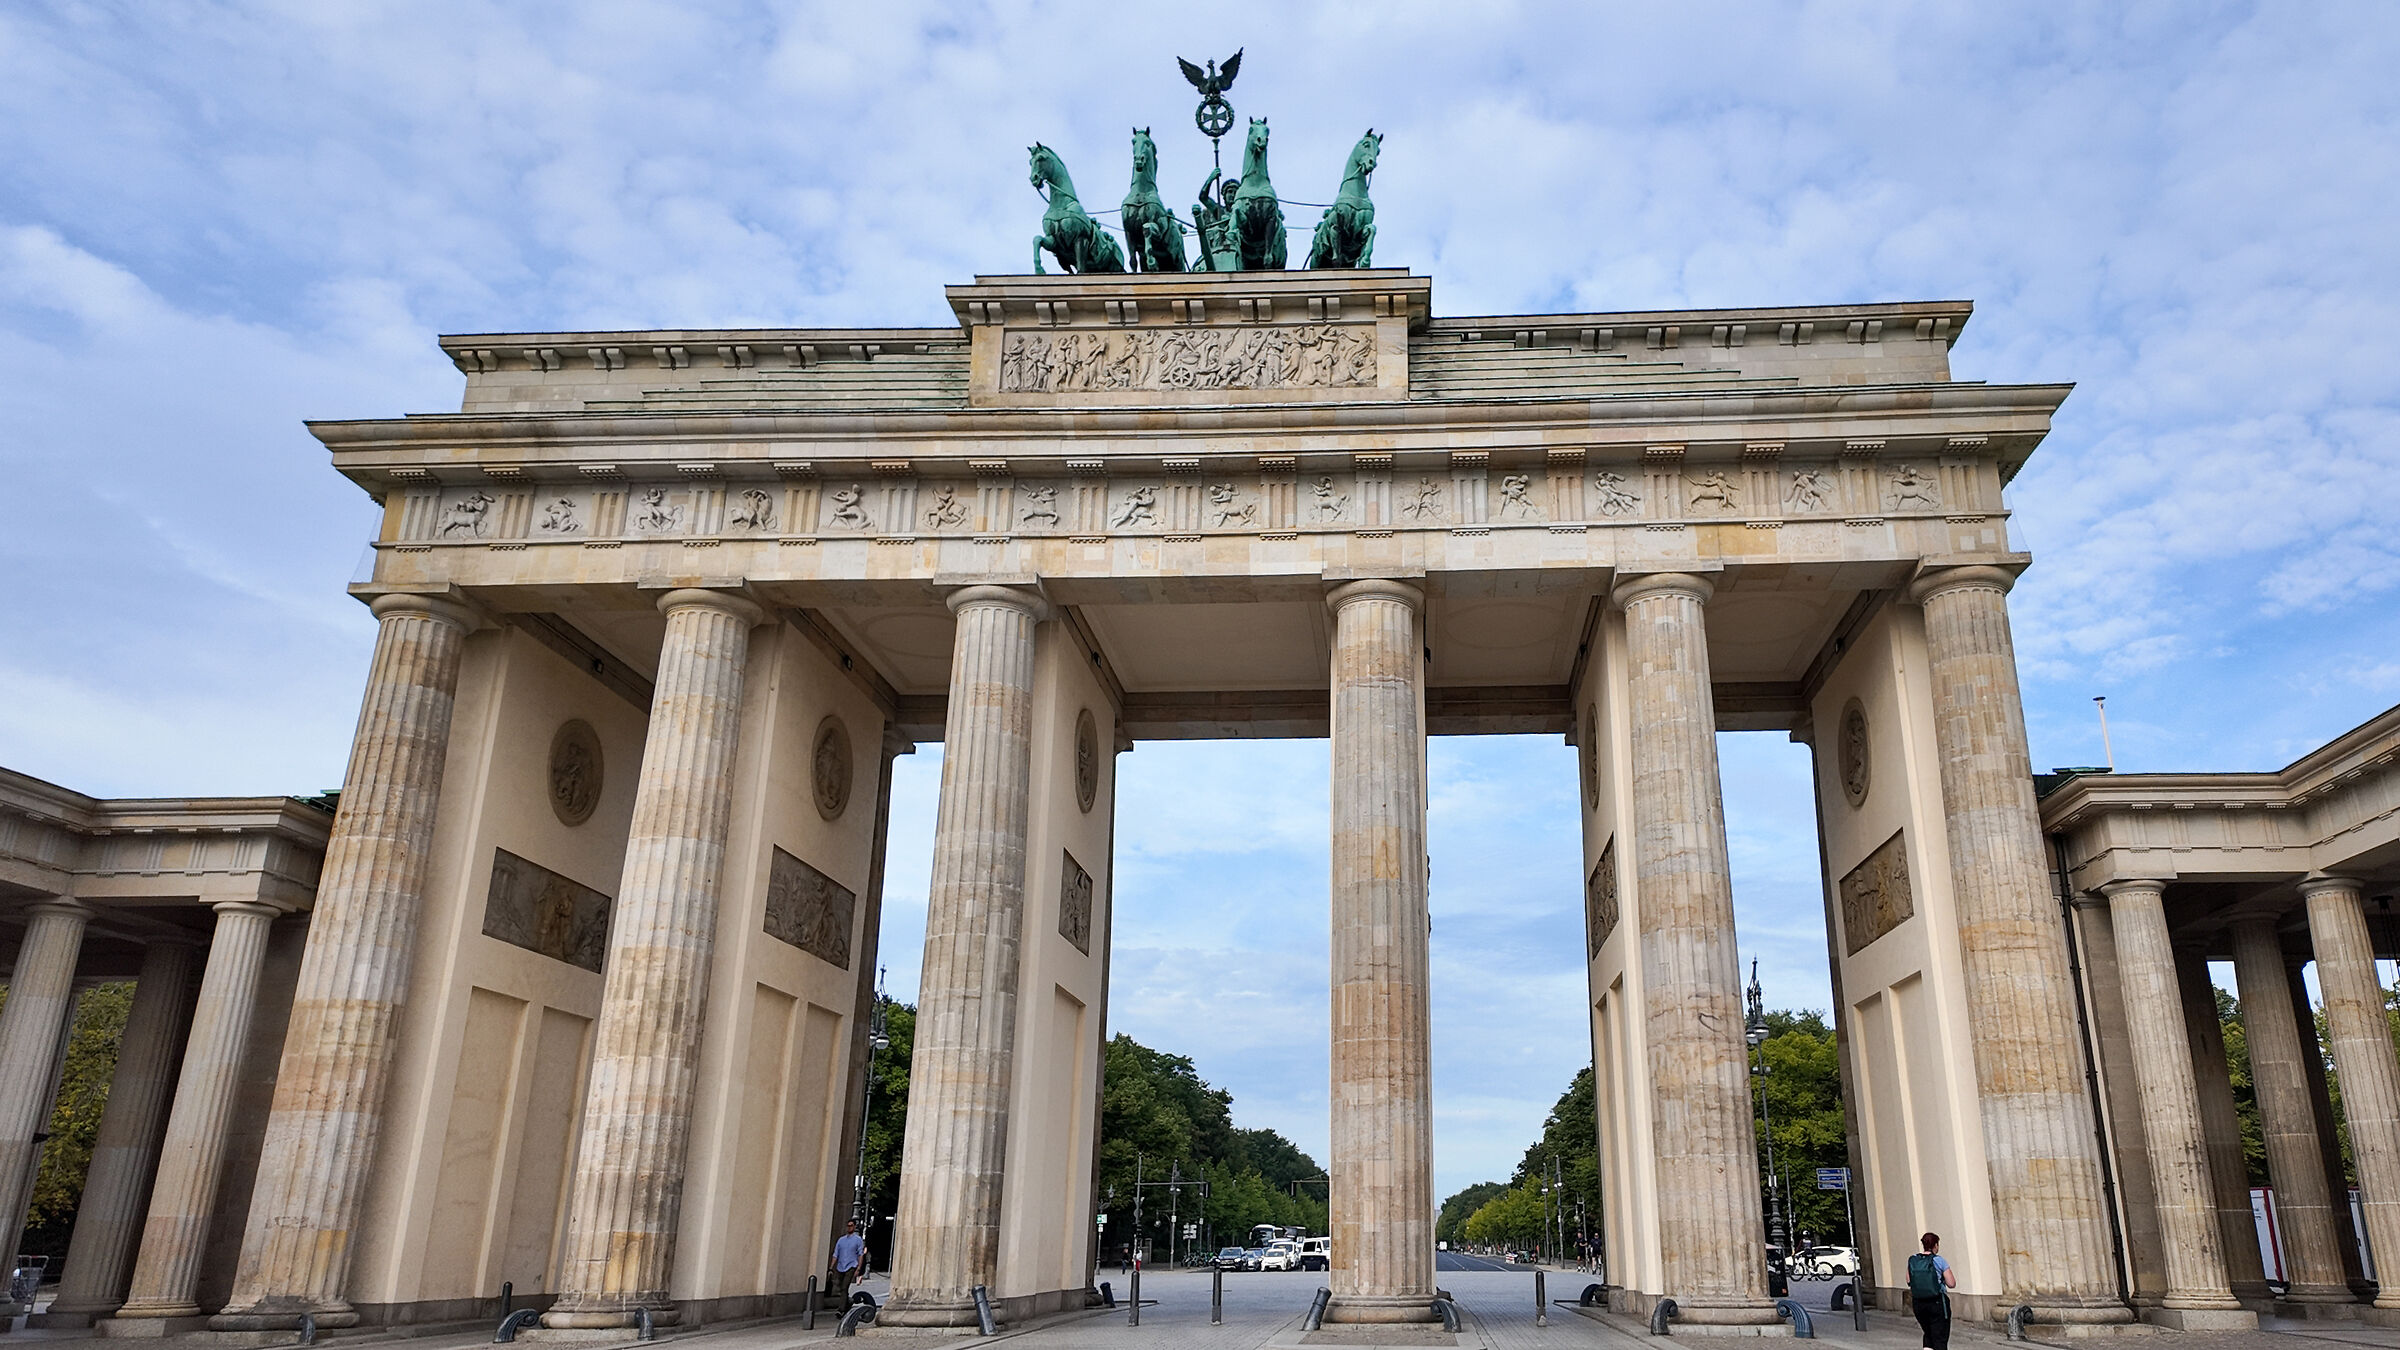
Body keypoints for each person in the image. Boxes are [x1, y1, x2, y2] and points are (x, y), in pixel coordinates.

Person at [1907, 1232, 1955, 1350]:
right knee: (1939, 1336)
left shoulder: (1913, 1260)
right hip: (1937, 1303)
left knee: (1928, 1333)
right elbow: (1951, 1283)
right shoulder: (1939, 1261)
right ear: (1935, 1245)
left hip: (1918, 1303)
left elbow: (1908, 1281)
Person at [831, 1220, 867, 1301]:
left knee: (845, 1287)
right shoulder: (841, 1240)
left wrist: (858, 1268)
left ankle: (842, 1308)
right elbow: (835, 1254)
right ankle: (846, 1302)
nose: (849, 1227)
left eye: (851, 1226)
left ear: (854, 1227)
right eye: (848, 1226)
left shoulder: (858, 1240)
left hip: (851, 1266)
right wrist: (831, 1267)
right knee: (839, 1287)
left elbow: (860, 1254)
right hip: (840, 1266)